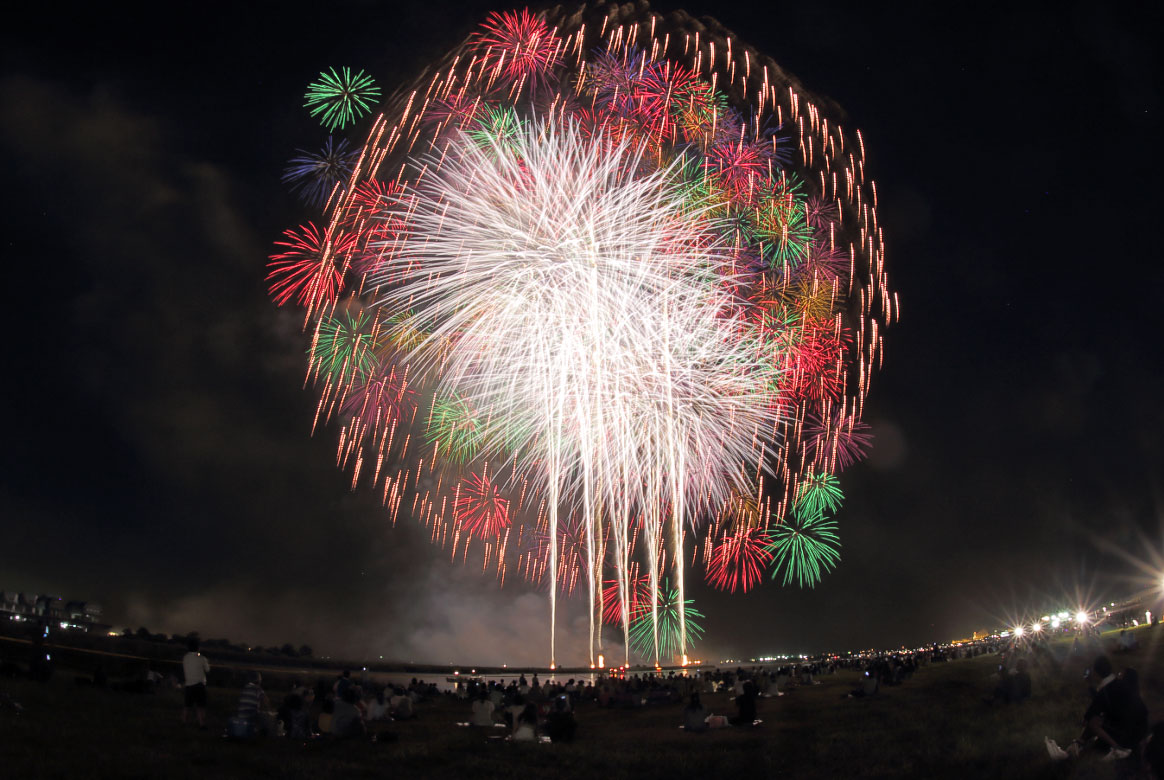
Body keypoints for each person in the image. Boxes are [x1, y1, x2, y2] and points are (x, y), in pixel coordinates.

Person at [237, 671, 277, 737]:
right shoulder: (258, 689)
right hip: (251, 715)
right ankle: (266, 735)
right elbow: (266, 701)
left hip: (241, 715)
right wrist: (270, 711)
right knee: (267, 717)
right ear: (258, 679)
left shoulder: (245, 688)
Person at [181, 637, 209, 728]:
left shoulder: (185, 658)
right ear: (198, 647)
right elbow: (207, 670)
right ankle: (202, 724)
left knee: (187, 705)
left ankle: (184, 722)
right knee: (201, 706)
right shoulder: (202, 658)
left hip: (189, 684)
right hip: (200, 685)